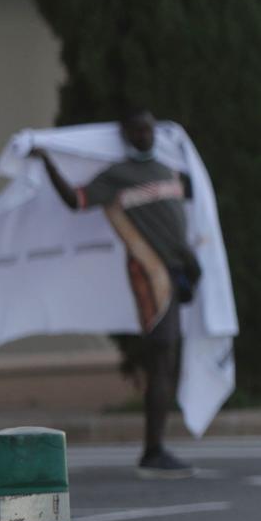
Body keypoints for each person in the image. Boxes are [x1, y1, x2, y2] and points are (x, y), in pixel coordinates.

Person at [32, 107, 202, 478]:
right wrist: (47, 161)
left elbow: (184, 215)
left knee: (168, 359)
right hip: (150, 276)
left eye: (150, 129)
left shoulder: (167, 168)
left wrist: (192, 265)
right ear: (126, 136)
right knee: (161, 356)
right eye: (138, 131)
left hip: (175, 275)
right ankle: (153, 450)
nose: (146, 135)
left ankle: (156, 447)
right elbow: (76, 200)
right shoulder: (118, 176)